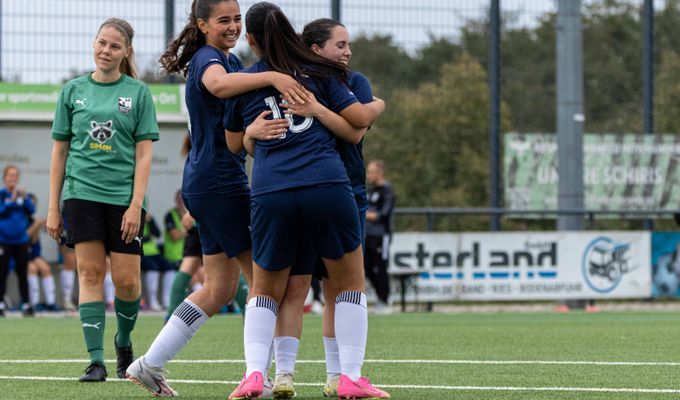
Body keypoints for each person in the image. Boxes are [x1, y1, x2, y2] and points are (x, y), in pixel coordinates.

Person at [125, 1, 308, 397]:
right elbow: (218, 86)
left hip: (207, 182)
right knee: (264, 282)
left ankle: (149, 364)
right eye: (224, 20)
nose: (233, 26)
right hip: (219, 183)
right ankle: (260, 375)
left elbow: (235, 116)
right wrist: (275, 77)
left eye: (238, 19)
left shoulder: (229, 60)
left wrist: (255, 130)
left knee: (218, 289)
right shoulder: (210, 59)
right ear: (202, 24)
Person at [224, 3, 389, 399]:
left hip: (271, 191)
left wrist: (251, 133)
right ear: (294, 34)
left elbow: (233, 145)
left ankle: (253, 376)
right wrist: (379, 104)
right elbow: (357, 121)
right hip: (325, 186)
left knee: (265, 288)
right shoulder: (323, 73)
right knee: (349, 284)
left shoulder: (243, 81)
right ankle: (349, 377)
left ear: (250, 39)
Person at [46, 17, 159, 382]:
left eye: (113, 46)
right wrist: (53, 207)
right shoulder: (72, 91)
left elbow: (144, 155)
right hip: (81, 195)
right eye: (101, 43)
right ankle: (96, 361)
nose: (105, 51)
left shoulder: (139, 93)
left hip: (124, 199)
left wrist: (135, 204)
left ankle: (123, 343)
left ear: (126, 51)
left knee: (127, 282)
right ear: (93, 44)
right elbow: (59, 152)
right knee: (89, 273)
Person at [0, 165, 35, 317]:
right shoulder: (2, 194)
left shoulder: (23, 195)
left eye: (15, 176)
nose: (12, 178)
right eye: (10, 175)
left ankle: (26, 304)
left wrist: (25, 198)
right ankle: (1, 304)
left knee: (23, 272)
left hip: (21, 240)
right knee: (2, 273)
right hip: (3, 240)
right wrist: (11, 201)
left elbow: (31, 210)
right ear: (4, 178)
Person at [364, 160, 395, 313]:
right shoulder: (369, 190)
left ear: (379, 173)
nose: (368, 175)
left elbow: (384, 214)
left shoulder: (386, 191)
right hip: (367, 234)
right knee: (367, 267)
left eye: (371, 172)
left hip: (381, 236)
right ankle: (380, 296)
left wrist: (366, 215)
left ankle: (385, 299)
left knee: (381, 267)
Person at [26, 194, 59, 312]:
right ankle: (34, 303)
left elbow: (33, 240)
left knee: (45, 268)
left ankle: (51, 302)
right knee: (32, 269)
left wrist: (38, 226)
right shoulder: (20, 218)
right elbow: (24, 238)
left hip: (33, 254)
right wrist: (36, 225)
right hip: (19, 255)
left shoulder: (32, 220)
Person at [161, 190, 187, 308]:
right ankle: (170, 304)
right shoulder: (170, 215)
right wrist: (188, 229)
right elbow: (175, 235)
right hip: (173, 255)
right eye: (179, 199)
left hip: (189, 254)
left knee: (200, 276)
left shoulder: (192, 214)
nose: (181, 202)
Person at [141, 213, 172, 311]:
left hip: (153, 250)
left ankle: (166, 300)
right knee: (153, 268)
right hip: (140, 250)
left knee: (169, 268)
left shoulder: (149, 217)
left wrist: (150, 221)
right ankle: (152, 301)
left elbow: (157, 234)